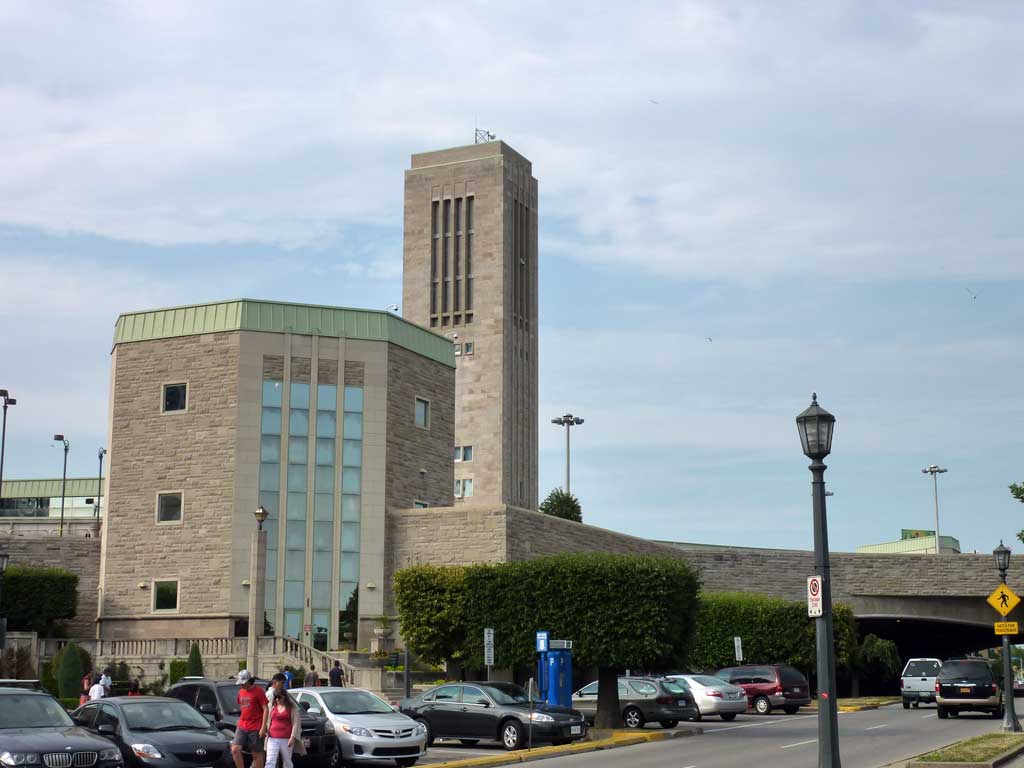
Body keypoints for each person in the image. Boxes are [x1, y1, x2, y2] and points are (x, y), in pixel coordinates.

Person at [231, 670, 267, 768]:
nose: (241, 685)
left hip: (256, 725)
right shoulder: (241, 691)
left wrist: (263, 727)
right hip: (242, 724)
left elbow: (265, 708)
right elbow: (243, 707)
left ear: (249, 681)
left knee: (256, 753)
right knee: (235, 749)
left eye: (243, 683)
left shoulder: (259, 691)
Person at [262, 687, 305, 768]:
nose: (277, 699)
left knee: (287, 762)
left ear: (284, 696)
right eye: (276, 697)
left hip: (286, 739)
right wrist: (264, 729)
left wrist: (292, 737)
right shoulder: (272, 706)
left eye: (279, 697)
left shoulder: (292, 708)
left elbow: (296, 723)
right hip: (272, 738)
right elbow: (267, 719)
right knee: (270, 761)